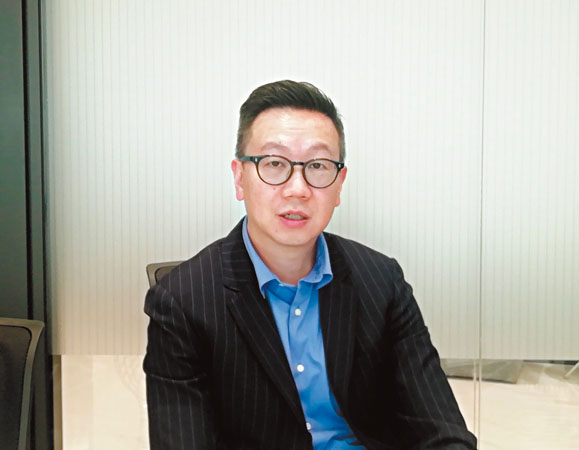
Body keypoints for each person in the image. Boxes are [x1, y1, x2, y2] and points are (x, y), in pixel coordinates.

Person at [143, 80, 477, 449]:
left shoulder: (382, 281)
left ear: (339, 184)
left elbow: (442, 429)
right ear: (239, 178)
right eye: (274, 163)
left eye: (317, 166)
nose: (298, 189)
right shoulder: (182, 302)